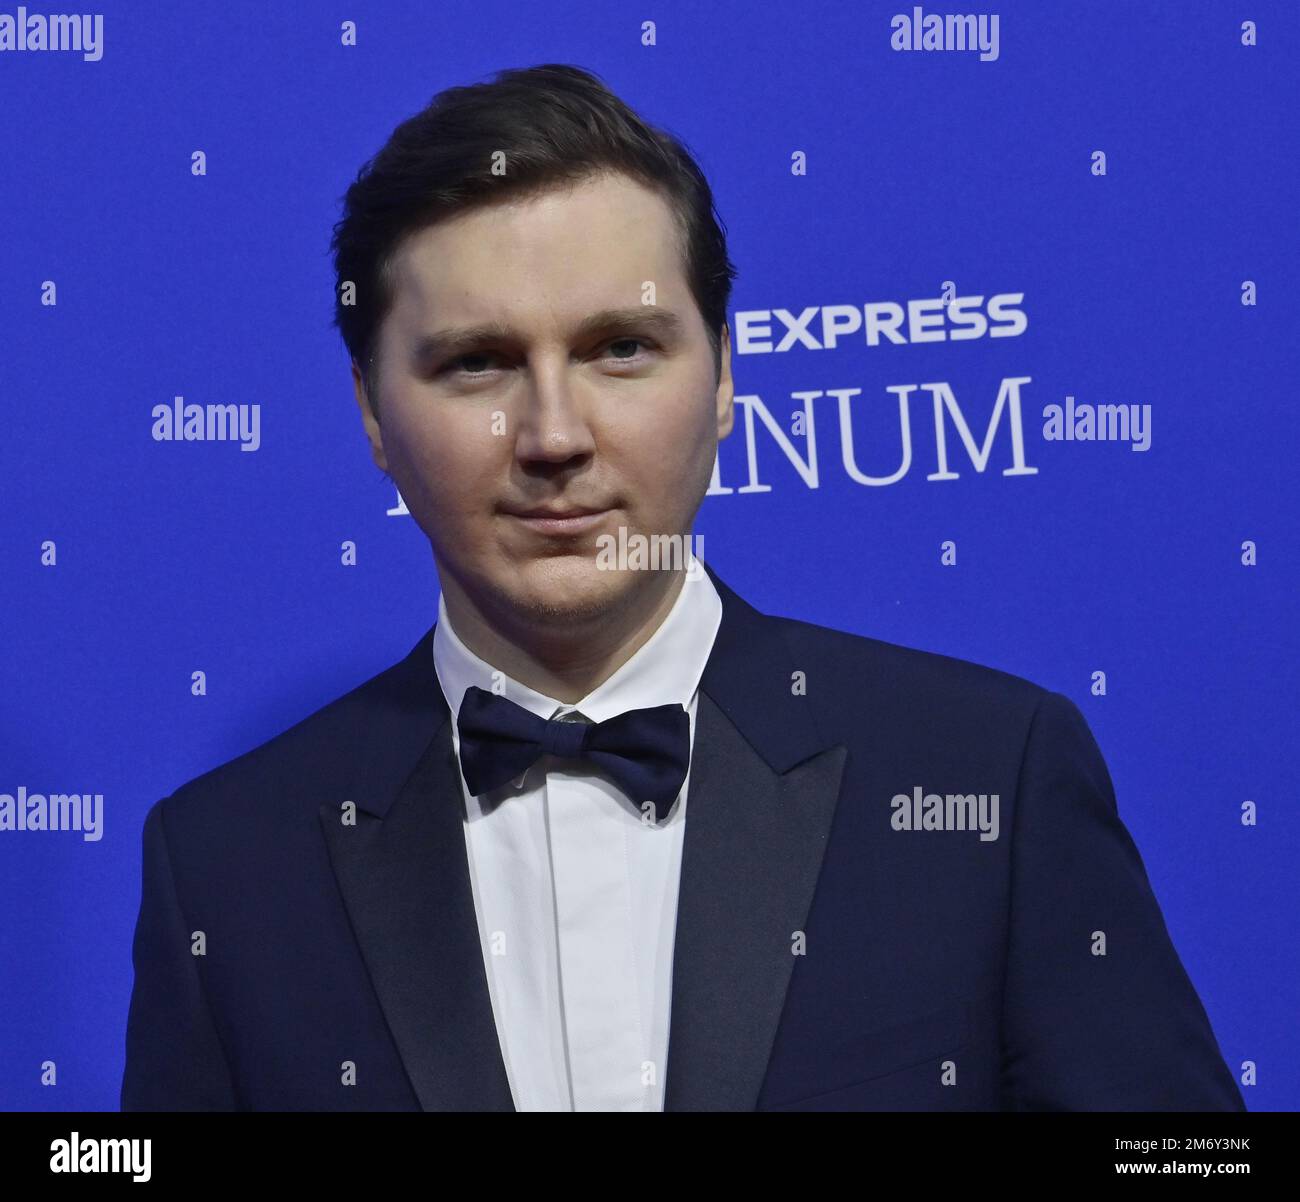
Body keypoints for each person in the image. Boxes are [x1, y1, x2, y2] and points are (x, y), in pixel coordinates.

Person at [121, 63, 1244, 1112]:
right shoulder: (225, 865)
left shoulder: (990, 774)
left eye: (620, 349)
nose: (553, 434)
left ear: (722, 378)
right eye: (478, 362)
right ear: (372, 412)